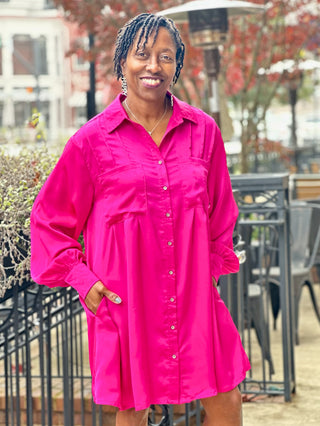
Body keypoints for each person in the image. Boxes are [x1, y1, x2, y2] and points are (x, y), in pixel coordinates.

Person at [30, 13, 250, 426]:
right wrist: (85, 282)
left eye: (165, 57)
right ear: (122, 62)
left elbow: (221, 212)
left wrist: (212, 271)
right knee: (132, 411)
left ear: (177, 66)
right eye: (142, 55)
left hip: (194, 295)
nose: (153, 66)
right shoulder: (91, 142)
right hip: (127, 299)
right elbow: (48, 220)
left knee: (226, 398)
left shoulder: (203, 131)